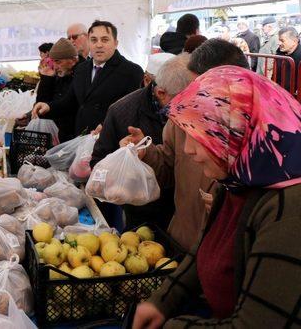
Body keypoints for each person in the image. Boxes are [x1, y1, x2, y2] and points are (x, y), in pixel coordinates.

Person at [133, 66, 301, 328]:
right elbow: (205, 249)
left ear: (237, 130)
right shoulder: (236, 182)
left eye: (200, 136)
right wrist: (163, 301)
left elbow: (256, 324)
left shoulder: (289, 209)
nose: (188, 150)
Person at [121, 39, 250, 251]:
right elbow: (170, 165)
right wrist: (148, 153)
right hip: (184, 239)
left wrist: (234, 206)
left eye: (202, 89)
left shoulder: (264, 136)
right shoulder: (180, 121)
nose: (192, 97)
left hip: (229, 251)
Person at [33, 21, 143, 227]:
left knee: (110, 198)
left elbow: (132, 111)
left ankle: (114, 233)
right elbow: (72, 102)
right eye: (94, 40)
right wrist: (49, 107)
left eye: (105, 40)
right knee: (87, 197)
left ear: (116, 42)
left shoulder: (131, 71)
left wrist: (107, 126)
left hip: (111, 146)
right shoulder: (82, 69)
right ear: (88, 43)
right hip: (83, 144)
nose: (99, 45)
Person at [91, 54, 190, 231]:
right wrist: (124, 160)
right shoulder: (122, 112)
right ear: (160, 92)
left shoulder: (191, 113)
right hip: (142, 216)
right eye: (184, 97)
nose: (190, 102)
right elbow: (98, 163)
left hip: (184, 211)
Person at [35, 38, 80, 143]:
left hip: (75, 136)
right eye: (53, 61)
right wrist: (47, 78)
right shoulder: (59, 77)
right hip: (62, 135)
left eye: (58, 62)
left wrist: (49, 107)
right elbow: (42, 106)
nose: (55, 66)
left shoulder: (80, 77)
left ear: (73, 61)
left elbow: (67, 104)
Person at [274, 26, 301, 94]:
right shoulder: (279, 52)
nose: (279, 43)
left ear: (294, 41)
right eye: (279, 40)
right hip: (281, 94)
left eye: (282, 40)